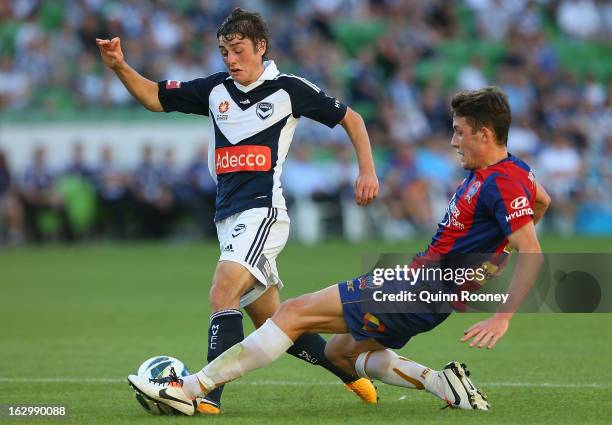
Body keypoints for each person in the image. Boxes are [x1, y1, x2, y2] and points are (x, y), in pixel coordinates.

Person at [128, 87, 552, 415]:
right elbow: (542, 202)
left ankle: (191, 389)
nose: (453, 140)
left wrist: (502, 315)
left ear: (485, 133)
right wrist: (490, 257)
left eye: (460, 131)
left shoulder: (502, 180)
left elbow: (531, 250)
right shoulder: (513, 173)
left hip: (421, 286)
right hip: (430, 289)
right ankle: (445, 384)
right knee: (340, 351)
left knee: (294, 313)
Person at [97, 7, 379, 414]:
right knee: (276, 323)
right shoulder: (215, 90)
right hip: (228, 217)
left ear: (260, 47)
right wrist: (120, 66)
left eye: (238, 49)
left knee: (221, 291)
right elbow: (155, 98)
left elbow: (351, 118)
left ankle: (205, 395)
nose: (230, 59)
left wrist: (366, 171)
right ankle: (351, 374)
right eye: (224, 51)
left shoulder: (288, 89)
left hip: (262, 211)